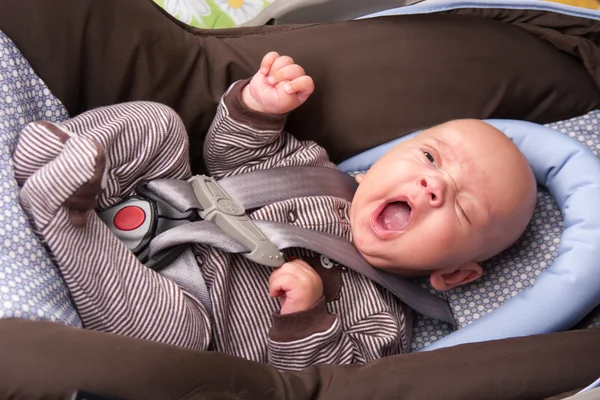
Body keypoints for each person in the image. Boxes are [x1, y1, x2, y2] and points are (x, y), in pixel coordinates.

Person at [12, 52, 537, 370]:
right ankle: (66, 154)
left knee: (176, 337)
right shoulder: (315, 169)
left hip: (172, 302)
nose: (431, 186)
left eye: (463, 208)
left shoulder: (383, 320)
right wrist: (259, 108)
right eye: (429, 157)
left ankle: (61, 213)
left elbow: (328, 377)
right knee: (161, 125)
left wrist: (307, 315)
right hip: (154, 203)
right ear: (389, 156)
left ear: (453, 274)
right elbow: (232, 156)